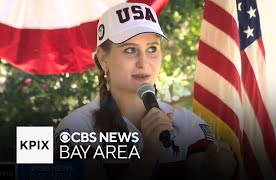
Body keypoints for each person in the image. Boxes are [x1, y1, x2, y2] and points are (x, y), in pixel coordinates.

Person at [54, 2, 236, 180]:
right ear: (103, 59)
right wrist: (149, 155)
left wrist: (219, 168)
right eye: (130, 49)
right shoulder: (75, 129)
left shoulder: (188, 124)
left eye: (152, 49)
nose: (143, 61)